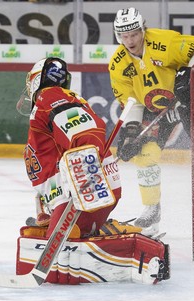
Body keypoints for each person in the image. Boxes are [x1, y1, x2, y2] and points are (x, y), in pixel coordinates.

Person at [15, 57, 170, 285]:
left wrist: (85, 165)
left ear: (37, 80)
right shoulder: (55, 100)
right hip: (83, 189)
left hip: (83, 189)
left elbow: (83, 131)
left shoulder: (49, 96)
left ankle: (137, 251)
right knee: (58, 238)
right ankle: (114, 235)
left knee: (62, 246)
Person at [109, 7, 194, 235]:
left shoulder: (165, 42)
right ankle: (152, 209)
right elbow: (132, 101)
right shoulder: (118, 64)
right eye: (124, 36)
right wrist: (132, 131)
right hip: (153, 109)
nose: (130, 40)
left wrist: (188, 72)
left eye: (134, 34)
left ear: (142, 30)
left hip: (189, 100)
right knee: (144, 156)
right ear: (118, 36)